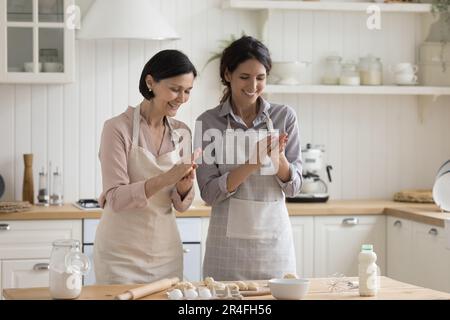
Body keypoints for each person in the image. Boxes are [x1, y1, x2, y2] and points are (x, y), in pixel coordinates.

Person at [195, 36, 303, 281]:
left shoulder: (284, 116)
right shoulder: (209, 122)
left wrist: (279, 161)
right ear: (227, 75)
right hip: (226, 249)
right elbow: (209, 193)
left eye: (260, 78)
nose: (253, 85)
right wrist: (253, 162)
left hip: (274, 249)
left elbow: (295, 187)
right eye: (244, 77)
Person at [94, 50, 200, 285]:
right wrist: (167, 177)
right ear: (150, 82)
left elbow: (180, 204)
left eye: (188, 91)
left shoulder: (182, 132)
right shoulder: (116, 128)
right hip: (119, 255)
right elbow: (116, 198)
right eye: (175, 89)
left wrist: (183, 187)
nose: (181, 98)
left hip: (166, 252)